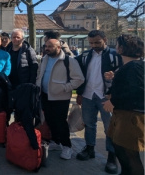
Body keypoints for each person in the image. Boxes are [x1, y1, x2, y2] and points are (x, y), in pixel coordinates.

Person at [75, 30, 122, 174]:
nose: (94, 45)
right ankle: (90, 149)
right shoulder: (84, 56)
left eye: (97, 42)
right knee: (89, 124)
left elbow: (124, 72)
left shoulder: (115, 55)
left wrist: (115, 77)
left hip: (106, 97)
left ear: (105, 39)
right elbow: (78, 72)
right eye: (91, 43)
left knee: (110, 128)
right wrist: (79, 92)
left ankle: (112, 157)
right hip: (88, 95)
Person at [36, 39, 84, 160]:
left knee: (60, 122)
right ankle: (56, 142)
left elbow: (79, 79)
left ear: (58, 47)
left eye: (50, 46)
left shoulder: (69, 61)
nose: (47, 48)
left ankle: (67, 146)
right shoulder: (45, 59)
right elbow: (40, 75)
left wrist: (65, 88)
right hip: (45, 95)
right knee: (49, 120)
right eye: (46, 46)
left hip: (60, 97)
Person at [104, 34, 144, 175]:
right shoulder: (130, 66)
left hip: (131, 117)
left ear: (121, 49)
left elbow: (139, 91)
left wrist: (112, 101)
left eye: (117, 45)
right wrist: (115, 77)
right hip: (125, 115)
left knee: (129, 156)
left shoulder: (134, 66)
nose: (115, 47)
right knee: (123, 153)